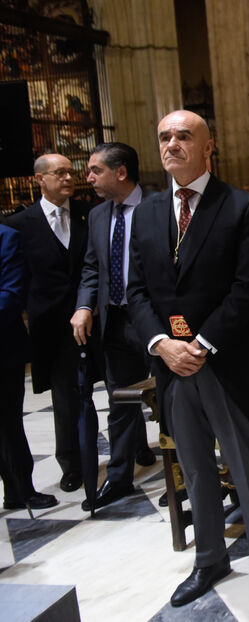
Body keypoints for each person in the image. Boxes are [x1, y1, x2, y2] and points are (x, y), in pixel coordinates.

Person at [127, 110, 249, 607]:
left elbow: (248, 289)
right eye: (164, 137)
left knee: (243, 461)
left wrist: (200, 344)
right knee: (194, 465)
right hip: (171, 363)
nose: (172, 144)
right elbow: (135, 292)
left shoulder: (240, 206)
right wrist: (162, 344)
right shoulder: (148, 212)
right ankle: (210, 558)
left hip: (221, 356)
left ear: (208, 146)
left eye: (183, 136)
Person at [71, 142, 156, 511]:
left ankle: (185, 474)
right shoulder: (99, 215)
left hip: (155, 321)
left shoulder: (158, 207)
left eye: (95, 170)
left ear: (120, 172)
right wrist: (84, 306)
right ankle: (119, 477)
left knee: (171, 400)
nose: (88, 177)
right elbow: (93, 268)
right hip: (115, 322)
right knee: (120, 402)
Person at [5, 154, 92, 494]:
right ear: (39, 179)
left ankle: (136, 449)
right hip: (51, 325)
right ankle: (71, 464)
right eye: (60, 172)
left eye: (71, 171)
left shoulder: (89, 214)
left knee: (114, 387)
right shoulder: (19, 224)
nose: (69, 177)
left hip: (92, 317)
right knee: (64, 395)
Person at [0, 223, 59, 511]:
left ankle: (21, 489)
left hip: (3, 349)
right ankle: (12, 488)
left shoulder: (6, 238)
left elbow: (11, 295)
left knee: (9, 422)